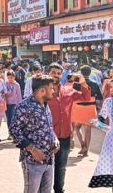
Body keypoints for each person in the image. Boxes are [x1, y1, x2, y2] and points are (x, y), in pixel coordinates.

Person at [10, 75, 59, 193]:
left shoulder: (45, 105)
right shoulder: (24, 106)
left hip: (49, 160)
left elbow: (49, 126)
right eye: (51, 88)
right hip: (32, 162)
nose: (53, 91)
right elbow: (14, 130)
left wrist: (55, 139)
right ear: (42, 90)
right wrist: (33, 150)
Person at [46, 63, 74, 193]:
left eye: (58, 73)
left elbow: (85, 96)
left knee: (61, 167)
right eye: (53, 73)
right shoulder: (42, 92)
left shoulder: (68, 90)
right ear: (48, 74)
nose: (56, 76)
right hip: (47, 137)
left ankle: (59, 190)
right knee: (45, 167)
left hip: (64, 136)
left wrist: (83, 81)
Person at [69, 73, 95, 157]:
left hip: (78, 107)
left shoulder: (72, 85)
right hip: (90, 108)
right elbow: (99, 96)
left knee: (77, 127)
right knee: (88, 129)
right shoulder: (94, 83)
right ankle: (86, 150)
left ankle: (83, 145)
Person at [5, 71, 22, 140]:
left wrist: (20, 105)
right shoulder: (5, 84)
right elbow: (3, 92)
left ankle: (13, 134)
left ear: (14, 77)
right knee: (8, 119)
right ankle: (10, 133)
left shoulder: (17, 85)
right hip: (6, 103)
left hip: (14, 104)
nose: (10, 79)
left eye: (11, 77)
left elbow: (19, 95)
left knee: (12, 118)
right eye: (8, 78)